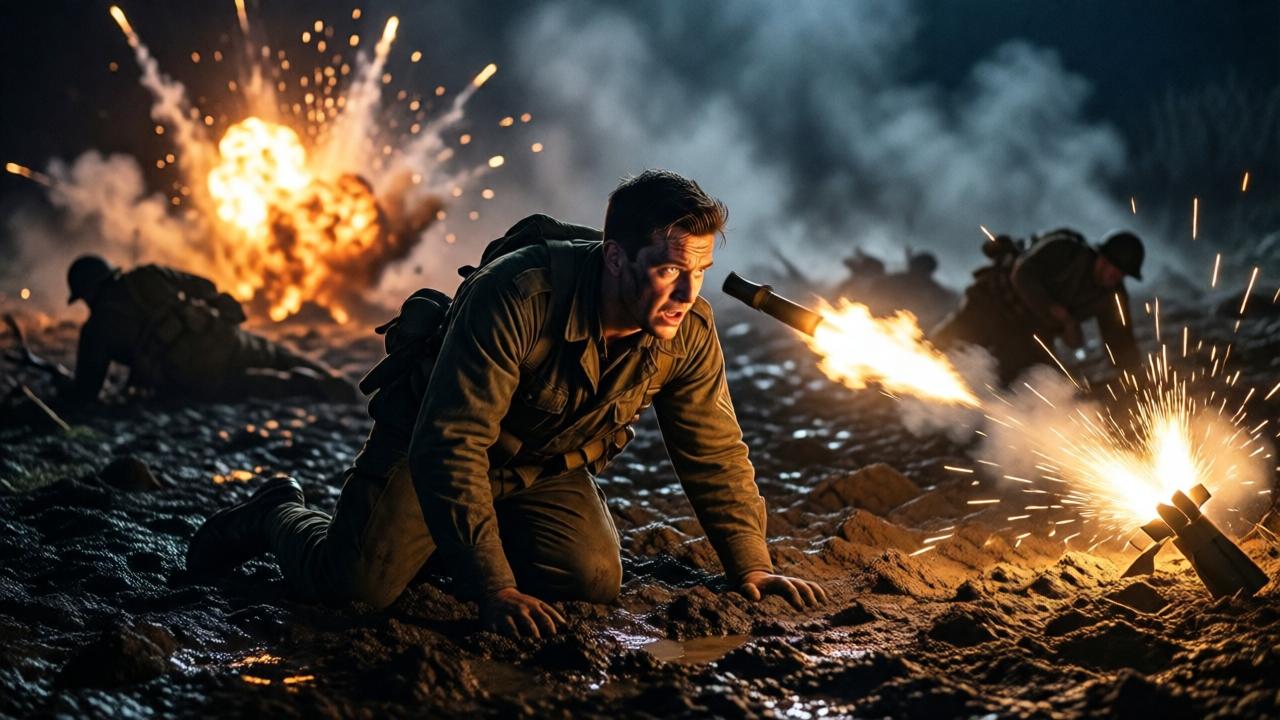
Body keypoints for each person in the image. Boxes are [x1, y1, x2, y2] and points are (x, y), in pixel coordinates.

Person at [186, 170, 828, 638]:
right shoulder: (516, 297)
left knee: (592, 581)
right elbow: (452, 444)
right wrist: (494, 587)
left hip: (538, 468)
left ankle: (449, 546)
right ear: (614, 257)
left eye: (702, 271)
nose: (688, 291)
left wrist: (752, 565)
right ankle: (278, 511)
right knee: (354, 588)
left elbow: (713, 449)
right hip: (431, 449)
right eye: (667, 270)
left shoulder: (686, 329)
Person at [63, 256, 353, 404]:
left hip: (192, 374)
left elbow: (86, 393)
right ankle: (342, 386)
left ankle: (308, 386)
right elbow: (206, 287)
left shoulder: (95, 331)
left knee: (256, 385)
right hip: (222, 336)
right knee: (279, 355)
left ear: (87, 292)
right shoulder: (147, 275)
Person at [930, 229, 1144, 382]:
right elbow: (1022, 274)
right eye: (1112, 269)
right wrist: (1054, 310)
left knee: (1041, 382)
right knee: (948, 342)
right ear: (1101, 258)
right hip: (993, 303)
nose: (1114, 277)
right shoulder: (1064, 249)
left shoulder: (1112, 296)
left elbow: (1121, 341)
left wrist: (1136, 378)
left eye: (1121, 274)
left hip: (1028, 333)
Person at [864, 250, 958, 329]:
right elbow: (869, 301)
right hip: (879, 324)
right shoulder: (888, 281)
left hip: (911, 332)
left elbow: (940, 314)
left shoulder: (935, 292)